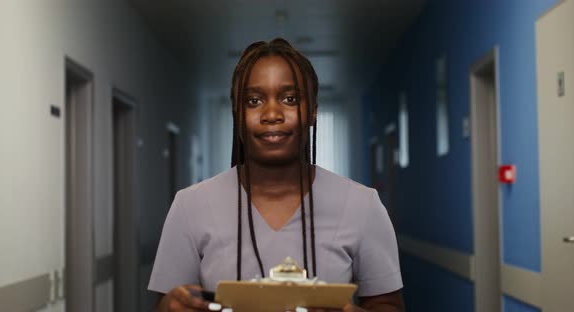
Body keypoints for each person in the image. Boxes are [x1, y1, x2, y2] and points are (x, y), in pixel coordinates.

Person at [148, 38, 404, 312]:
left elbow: (387, 304)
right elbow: (165, 304)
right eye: (254, 100)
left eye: (290, 99)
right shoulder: (190, 206)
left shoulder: (362, 205)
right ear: (237, 112)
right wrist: (171, 306)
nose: (272, 114)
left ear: (313, 111)